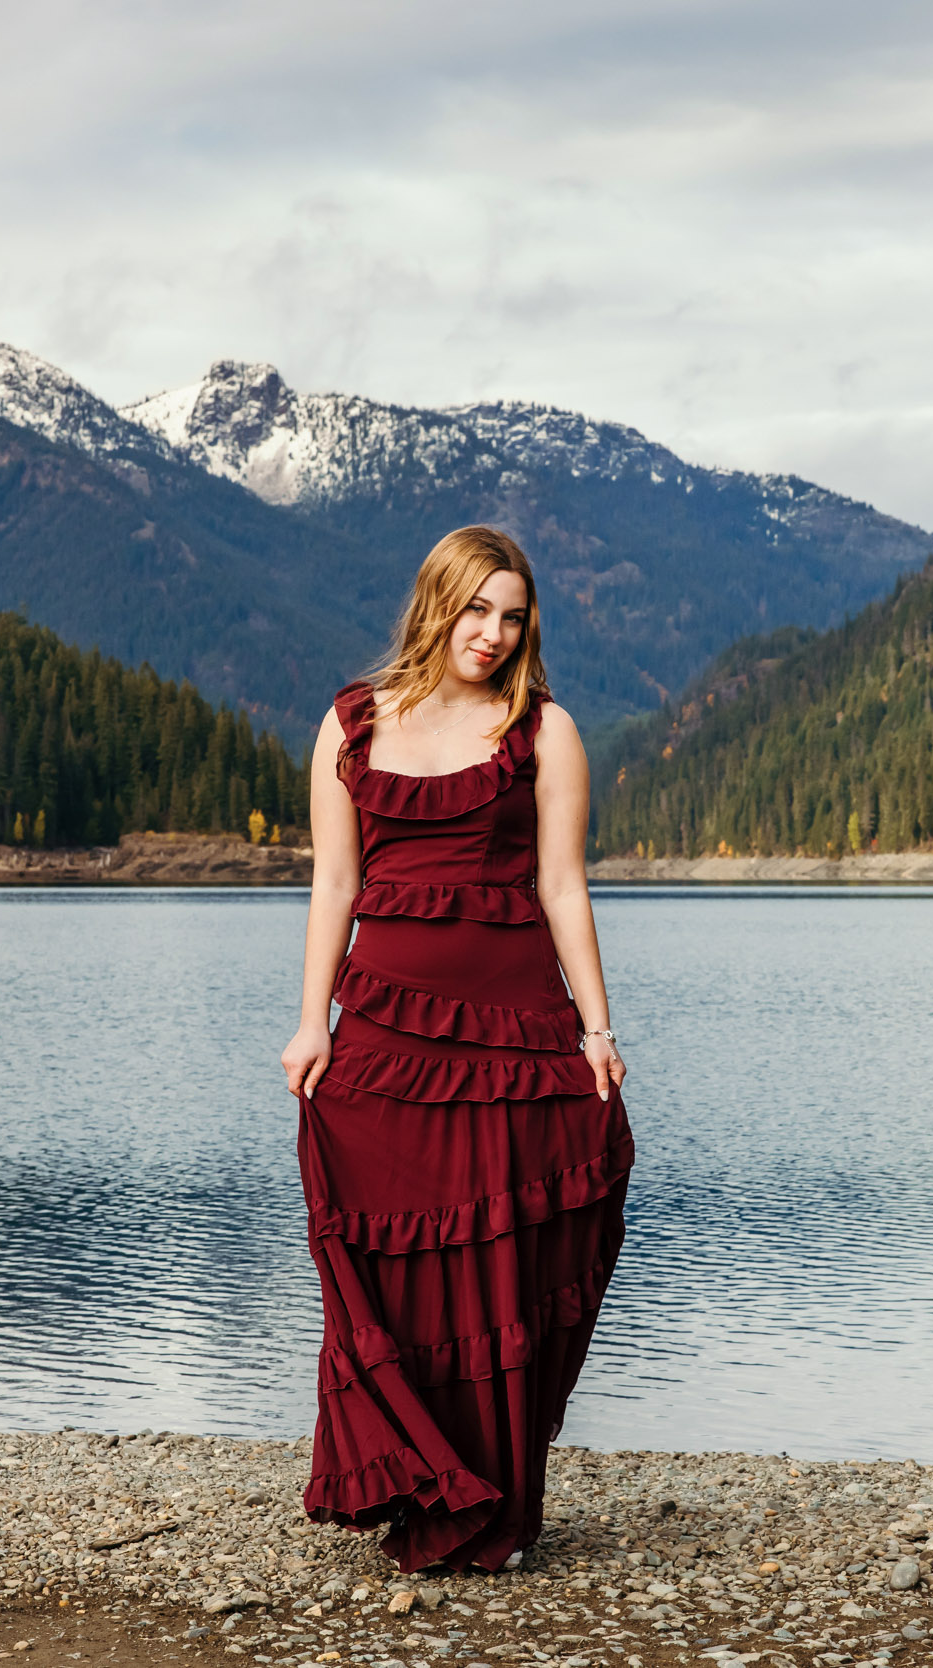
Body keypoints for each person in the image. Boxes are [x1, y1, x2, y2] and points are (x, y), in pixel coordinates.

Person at [281, 525, 635, 1574]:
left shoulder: (541, 732)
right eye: (475, 608)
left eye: (512, 616)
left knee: (498, 1262)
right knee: (393, 1254)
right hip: (385, 1033)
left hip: (514, 1034)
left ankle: (497, 1503)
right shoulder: (349, 725)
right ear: (436, 601)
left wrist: (597, 1030)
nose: (490, 633)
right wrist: (311, 1024)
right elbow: (334, 887)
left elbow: (561, 887)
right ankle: (413, 1474)